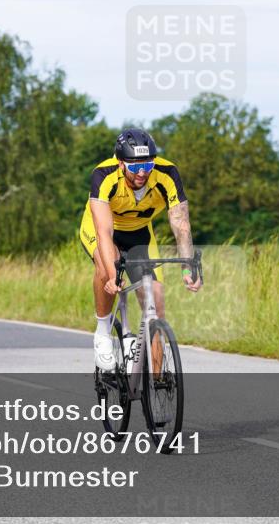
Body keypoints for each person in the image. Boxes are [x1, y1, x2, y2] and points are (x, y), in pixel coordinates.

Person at [79, 128, 201, 371]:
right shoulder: (104, 174)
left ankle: (157, 381)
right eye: (135, 167)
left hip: (140, 234)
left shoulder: (167, 173)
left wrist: (188, 266)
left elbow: (181, 224)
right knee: (108, 265)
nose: (143, 172)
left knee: (156, 301)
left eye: (147, 165)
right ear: (121, 163)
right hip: (103, 230)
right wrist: (113, 275)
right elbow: (104, 232)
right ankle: (102, 332)